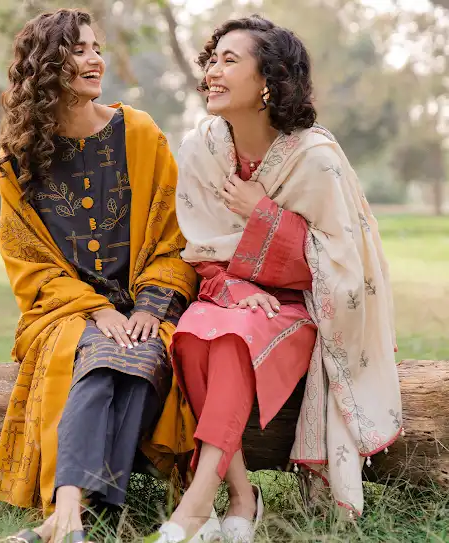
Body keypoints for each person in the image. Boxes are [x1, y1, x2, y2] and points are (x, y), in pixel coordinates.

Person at [152, 15, 403, 543]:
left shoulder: (316, 158)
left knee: (233, 337)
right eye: (211, 60)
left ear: (268, 80)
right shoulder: (202, 147)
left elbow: (340, 262)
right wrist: (237, 286)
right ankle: (242, 495)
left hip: (299, 305)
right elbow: (200, 243)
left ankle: (197, 503)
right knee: (195, 338)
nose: (212, 73)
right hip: (226, 293)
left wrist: (264, 213)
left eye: (229, 61)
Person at [0, 9, 197, 543]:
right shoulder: (19, 158)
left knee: (141, 355)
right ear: (46, 67)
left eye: (96, 47)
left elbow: (174, 237)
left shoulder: (141, 133)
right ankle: (74, 514)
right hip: (66, 311)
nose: (95, 59)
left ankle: (66, 516)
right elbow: (27, 261)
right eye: (79, 50)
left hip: (144, 302)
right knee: (98, 355)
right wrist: (97, 311)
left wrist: (149, 309)